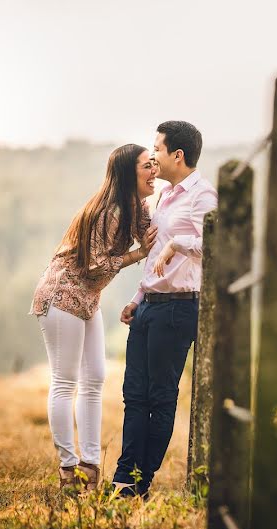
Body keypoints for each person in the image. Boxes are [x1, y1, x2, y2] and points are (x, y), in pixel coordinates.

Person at [31, 144, 158, 491]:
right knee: (65, 380)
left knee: (96, 378)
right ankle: (68, 468)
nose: (154, 171)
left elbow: (153, 232)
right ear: (127, 173)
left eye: (155, 164)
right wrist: (139, 253)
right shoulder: (111, 210)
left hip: (88, 297)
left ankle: (90, 465)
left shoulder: (137, 205)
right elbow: (95, 264)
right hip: (61, 295)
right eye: (147, 166)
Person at [112, 121, 218, 498]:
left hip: (177, 310)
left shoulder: (202, 195)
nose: (152, 155)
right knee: (134, 394)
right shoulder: (164, 197)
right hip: (148, 308)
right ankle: (124, 480)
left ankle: (141, 482)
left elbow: (214, 246)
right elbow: (154, 255)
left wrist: (178, 244)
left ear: (178, 155)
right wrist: (137, 299)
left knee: (160, 397)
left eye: (156, 148)